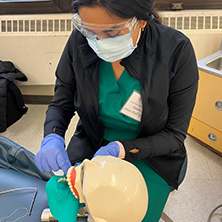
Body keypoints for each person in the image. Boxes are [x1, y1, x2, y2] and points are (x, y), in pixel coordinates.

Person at [34, 0, 199, 221]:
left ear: (141, 20)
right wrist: (52, 136)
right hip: (93, 143)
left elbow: (174, 135)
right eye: (89, 30)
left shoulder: (176, 50)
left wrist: (121, 149)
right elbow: (61, 102)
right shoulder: (80, 42)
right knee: (65, 197)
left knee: (130, 213)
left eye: (111, 32)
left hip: (152, 154)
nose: (98, 41)